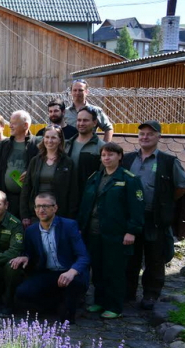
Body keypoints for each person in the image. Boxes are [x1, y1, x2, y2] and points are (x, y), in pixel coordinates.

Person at [123, 121, 185, 310]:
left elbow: (181, 186)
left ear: (159, 137)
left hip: (155, 218)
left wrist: (164, 201)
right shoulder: (127, 159)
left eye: (150, 134)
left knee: (154, 258)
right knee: (130, 257)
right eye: (142, 134)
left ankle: (150, 294)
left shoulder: (168, 161)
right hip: (132, 217)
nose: (145, 137)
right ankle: (128, 293)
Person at [78, 142, 144, 319]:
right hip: (93, 231)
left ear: (120, 156)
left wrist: (132, 231)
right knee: (97, 269)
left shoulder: (129, 179)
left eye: (111, 155)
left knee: (114, 270)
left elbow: (136, 209)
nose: (107, 158)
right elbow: (85, 206)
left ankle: (114, 306)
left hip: (116, 233)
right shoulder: (94, 177)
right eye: (104, 155)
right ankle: (99, 301)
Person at [11, 193, 90, 324]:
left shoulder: (69, 226)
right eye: (38, 206)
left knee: (67, 319)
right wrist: (25, 257)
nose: (41, 210)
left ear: (55, 208)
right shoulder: (31, 231)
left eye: (46, 206)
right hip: (48, 273)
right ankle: (56, 302)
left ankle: (69, 304)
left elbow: (84, 256)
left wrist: (72, 272)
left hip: (70, 273)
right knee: (22, 292)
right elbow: (29, 252)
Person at [19, 125, 79, 227]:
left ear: (60, 140)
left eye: (53, 137)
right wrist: (25, 215)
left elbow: (73, 192)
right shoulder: (35, 161)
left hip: (59, 213)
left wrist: (70, 217)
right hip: (36, 213)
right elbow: (26, 188)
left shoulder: (67, 162)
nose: (49, 141)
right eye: (47, 137)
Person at [0, 110, 40, 218]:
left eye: (14, 123)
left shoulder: (36, 144)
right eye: (10, 122)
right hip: (6, 199)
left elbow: (43, 166)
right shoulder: (4, 145)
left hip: (29, 200)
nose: (10, 126)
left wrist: (30, 172)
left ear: (25, 125)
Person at [65, 106, 105, 194]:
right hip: (67, 194)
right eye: (79, 120)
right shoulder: (66, 145)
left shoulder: (102, 147)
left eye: (85, 120)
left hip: (89, 195)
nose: (81, 123)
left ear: (94, 123)